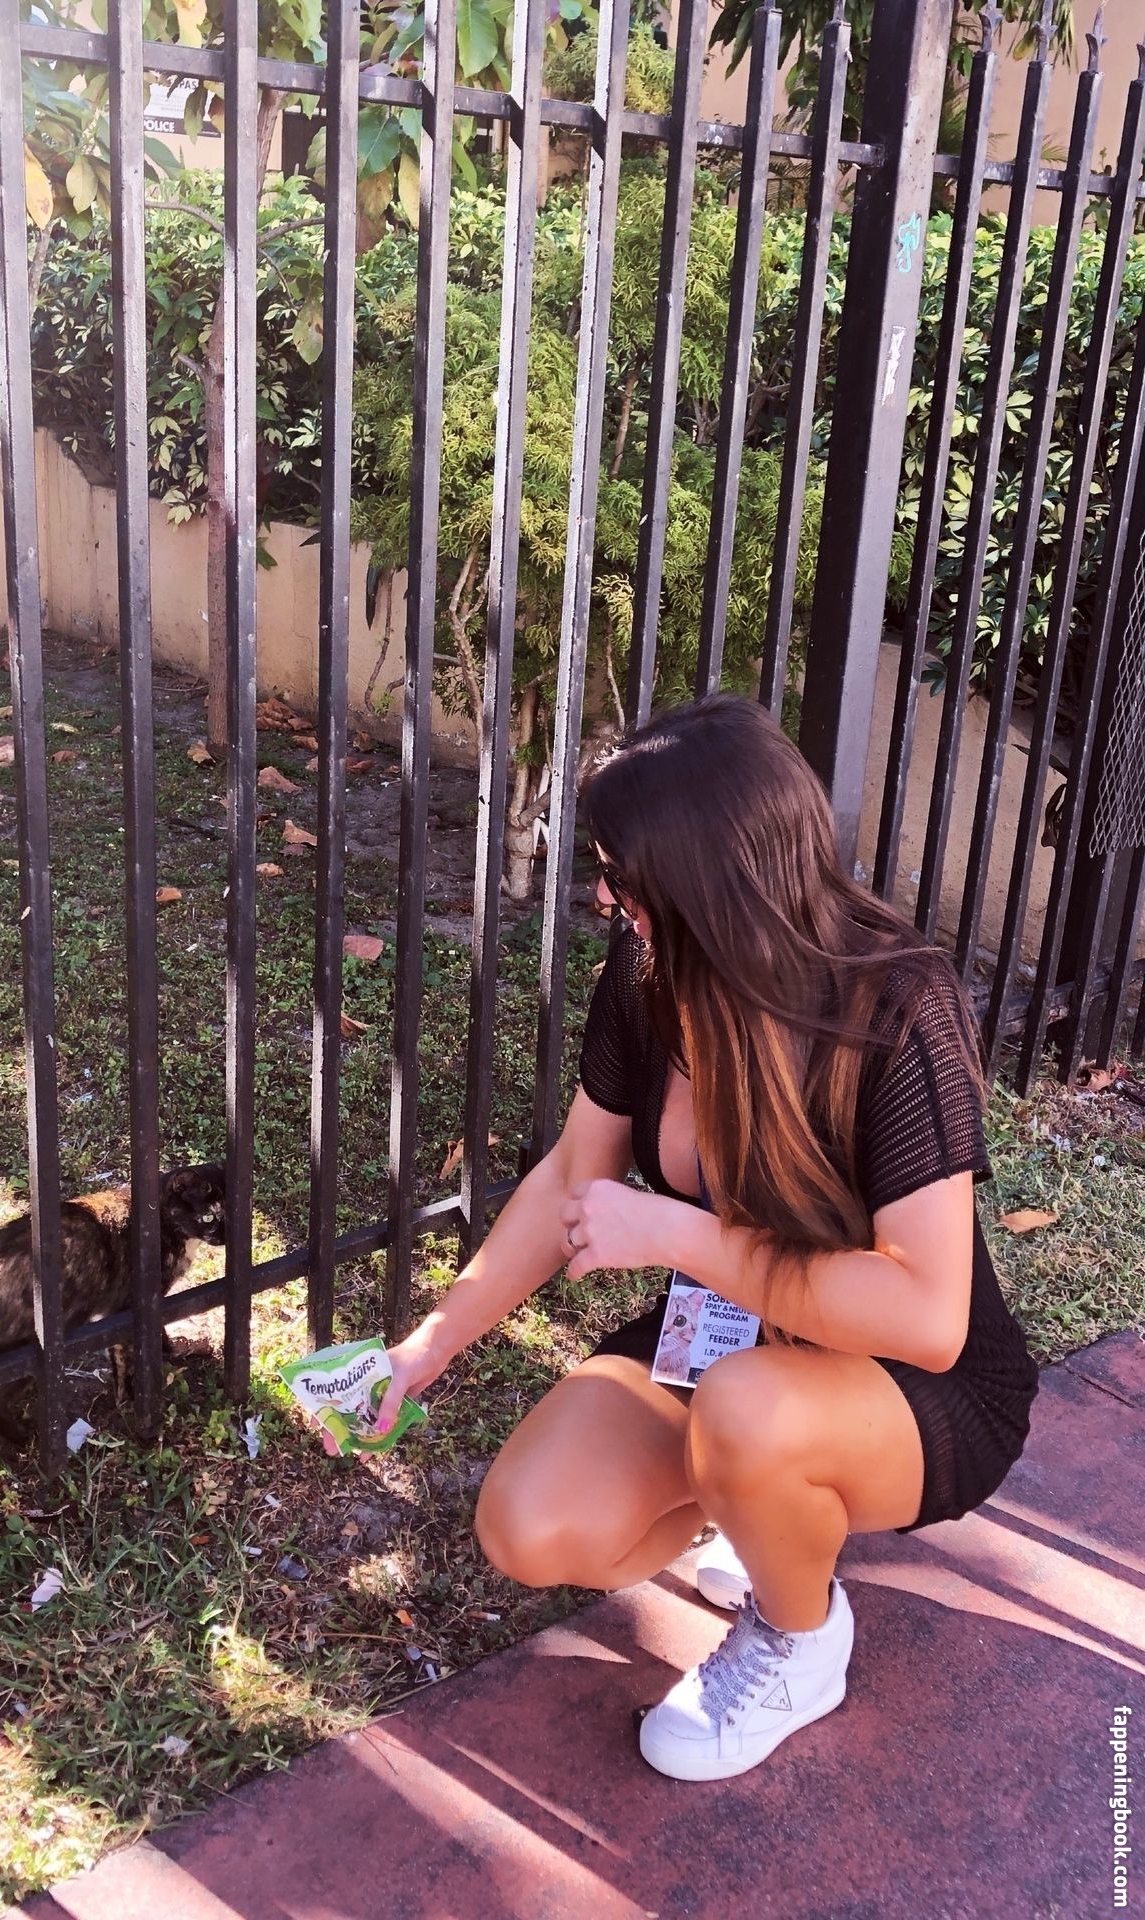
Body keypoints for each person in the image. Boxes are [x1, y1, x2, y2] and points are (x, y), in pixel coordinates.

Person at [373, 693, 1040, 1783]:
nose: (605, 896)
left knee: (747, 1412)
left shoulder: (897, 1006)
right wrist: (428, 1347)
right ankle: (760, 1506)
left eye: (621, 875)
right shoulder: (651, 979)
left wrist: (680, 1234)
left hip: (916, 1385)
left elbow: (927, 1316)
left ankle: (800, 1636)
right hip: (733, 1338)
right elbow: (572, 1176)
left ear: (710, 883)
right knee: (532, 1524)